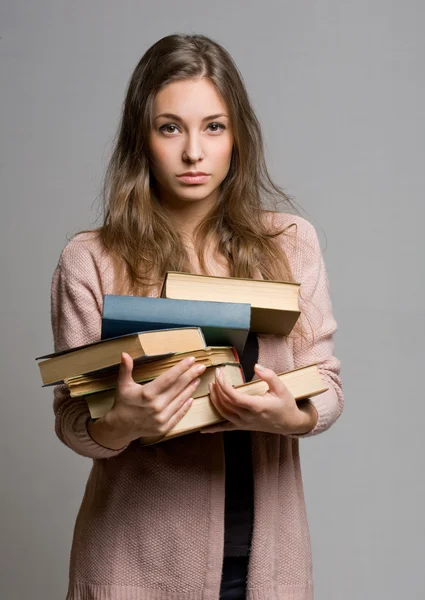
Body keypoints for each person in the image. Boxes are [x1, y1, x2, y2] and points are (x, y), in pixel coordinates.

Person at [50, 33, 344, 600]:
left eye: (214, 126)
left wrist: (294, 416)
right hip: (135, 567)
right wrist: (123, 424)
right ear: (143, 137)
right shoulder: (90, 259)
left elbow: (326, 384)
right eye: (170, 127)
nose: (193, 152)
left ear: (238, 136)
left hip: (266, 568)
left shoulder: (290, 244)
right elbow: (71, 418)